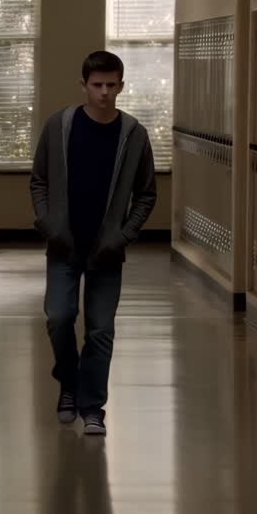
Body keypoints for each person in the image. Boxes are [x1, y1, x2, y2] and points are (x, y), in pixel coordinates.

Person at [29, 51, 157, 436]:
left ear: (121, 86)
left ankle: (92, 407)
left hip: (106, 250)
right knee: (59, 317)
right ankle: (69, 382)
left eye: (111, 85)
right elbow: (39, 180)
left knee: (100, 330)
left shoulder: (133, 135)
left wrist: (124, 235)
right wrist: (49, 224)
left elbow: (146, 194)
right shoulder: (60, 126)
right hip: (64, 245)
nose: (104, 92)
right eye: (97, 85)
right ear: (83, 85)